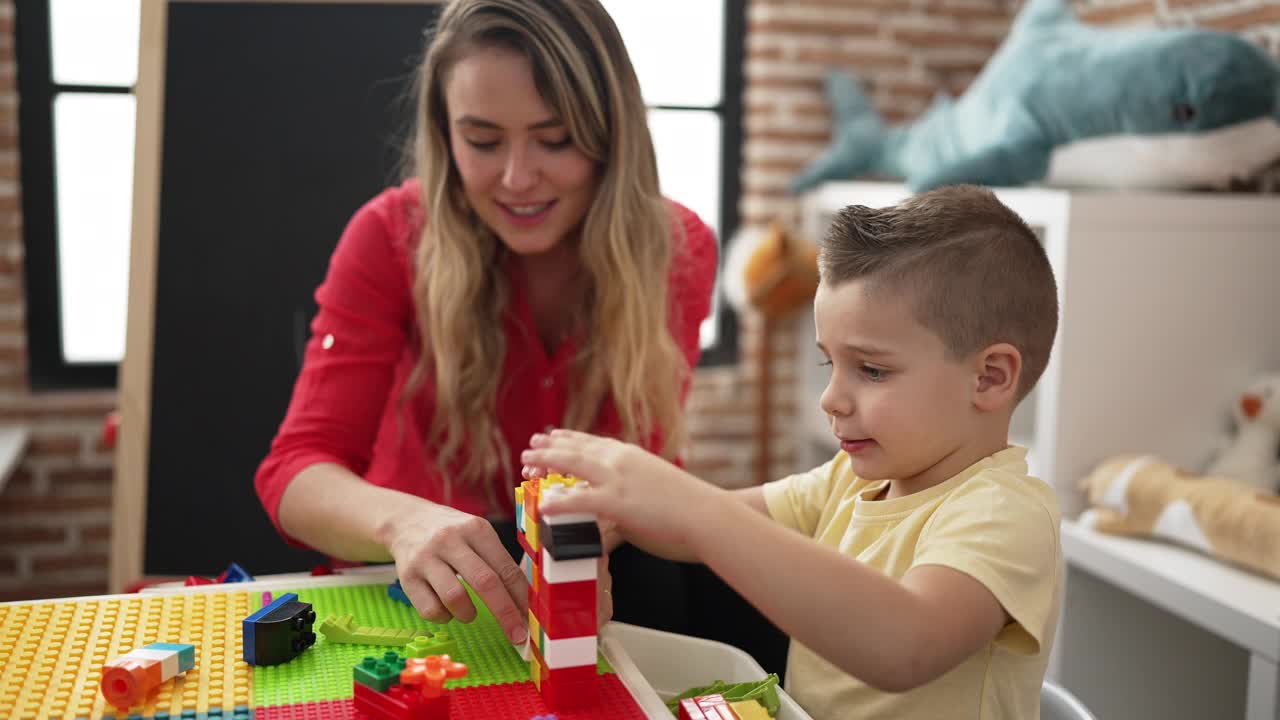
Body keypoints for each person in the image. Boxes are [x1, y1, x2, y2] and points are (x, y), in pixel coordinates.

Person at [253, 0, 755, 655]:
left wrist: (598, 528)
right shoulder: (386, 236)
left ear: (612, 135)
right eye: (483, 141)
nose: (518, 178)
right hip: (417, 590)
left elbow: (647, 461)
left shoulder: (679, 246)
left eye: (556, 138)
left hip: (597, 577)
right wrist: (400, 521)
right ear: (444, 134)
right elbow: (293, 472)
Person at [522, 184, 1064, 720]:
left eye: (871, 370)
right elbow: (693, 531)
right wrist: (609, 511)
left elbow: (906, 646)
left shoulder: (1003, 512)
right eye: (831, 364)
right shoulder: (848, 482)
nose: (831, 398)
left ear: (990, 378)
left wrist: (689, 504)